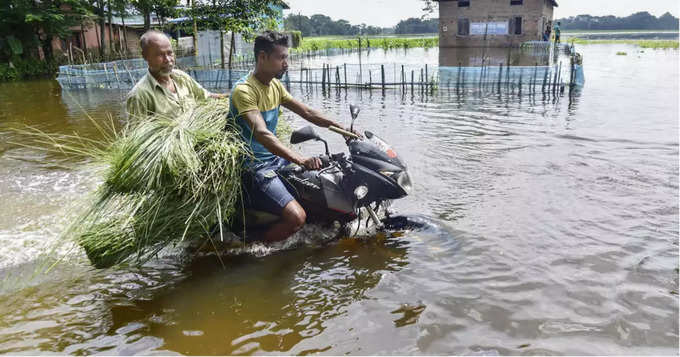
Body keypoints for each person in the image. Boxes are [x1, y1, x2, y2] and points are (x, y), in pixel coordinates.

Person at [228, 30, 354, 243]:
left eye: (287, 57)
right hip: (255, 168)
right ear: (262, 57)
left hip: (276, 161)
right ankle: (251, 247)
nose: (286, 63)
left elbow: (308, 113)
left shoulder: (275, 86)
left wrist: (344, 130)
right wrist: (301, 159)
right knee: (297, 218)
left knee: (323, 191)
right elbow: (262, 133)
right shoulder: (245, 91)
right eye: (281, 57)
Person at [126, 30, 227, 119]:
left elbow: (206, 96)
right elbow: (139, 135)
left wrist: (230, 97)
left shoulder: (181, 77)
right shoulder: (139, 95)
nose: (168, 60)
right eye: (160, 55)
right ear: (145, 57)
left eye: (170, 53)